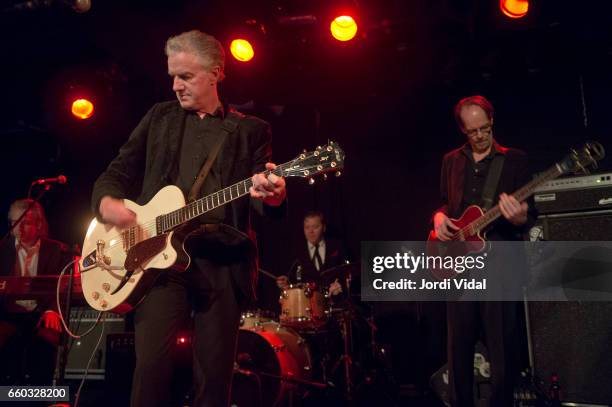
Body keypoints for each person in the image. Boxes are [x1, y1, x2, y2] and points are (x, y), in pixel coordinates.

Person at [90, 30, 287, 407]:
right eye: (173, 77)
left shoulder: (250, 129)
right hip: (157, 262)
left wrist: (274, 195)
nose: (176, 86)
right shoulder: (159, 117)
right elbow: (117, 170)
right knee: (150, 371)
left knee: (214, 380)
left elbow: (262, 196)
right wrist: (107, 203)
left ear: (215, 73)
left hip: (221, 261)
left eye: (186, 76)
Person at [432, 95, 533, 407]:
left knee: (502, 348)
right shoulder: (451, 160)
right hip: (459, 264)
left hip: (498, 266)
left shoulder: (514, 160)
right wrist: (438, 219)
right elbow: (445, 205)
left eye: (485, 129)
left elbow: (531, 214)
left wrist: (519, 217)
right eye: (472, 131)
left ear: (492, 123)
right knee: (458, 347)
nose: (479, 136)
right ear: (463, 129)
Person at [0, 199, 67, 384]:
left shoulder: (56, 250)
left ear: (38, 225)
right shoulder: (2, 249)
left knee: (46, 342)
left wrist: (53, 310)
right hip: (8, 315)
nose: (18, 228)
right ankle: (8, 396)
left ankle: (40, 397)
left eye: (25, 223)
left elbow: (62, 288)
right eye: (14, 222)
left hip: (41, 314)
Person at [276, 211, 346, 296]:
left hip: (335, 302)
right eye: (307, 227)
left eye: (315, 227)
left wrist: (340, 284)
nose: (311, 231)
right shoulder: (295, 251)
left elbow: (347, 272)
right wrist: (285, 283)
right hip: (307, 303)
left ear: (324, 228)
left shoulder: (336, 246)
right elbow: (291, 279)